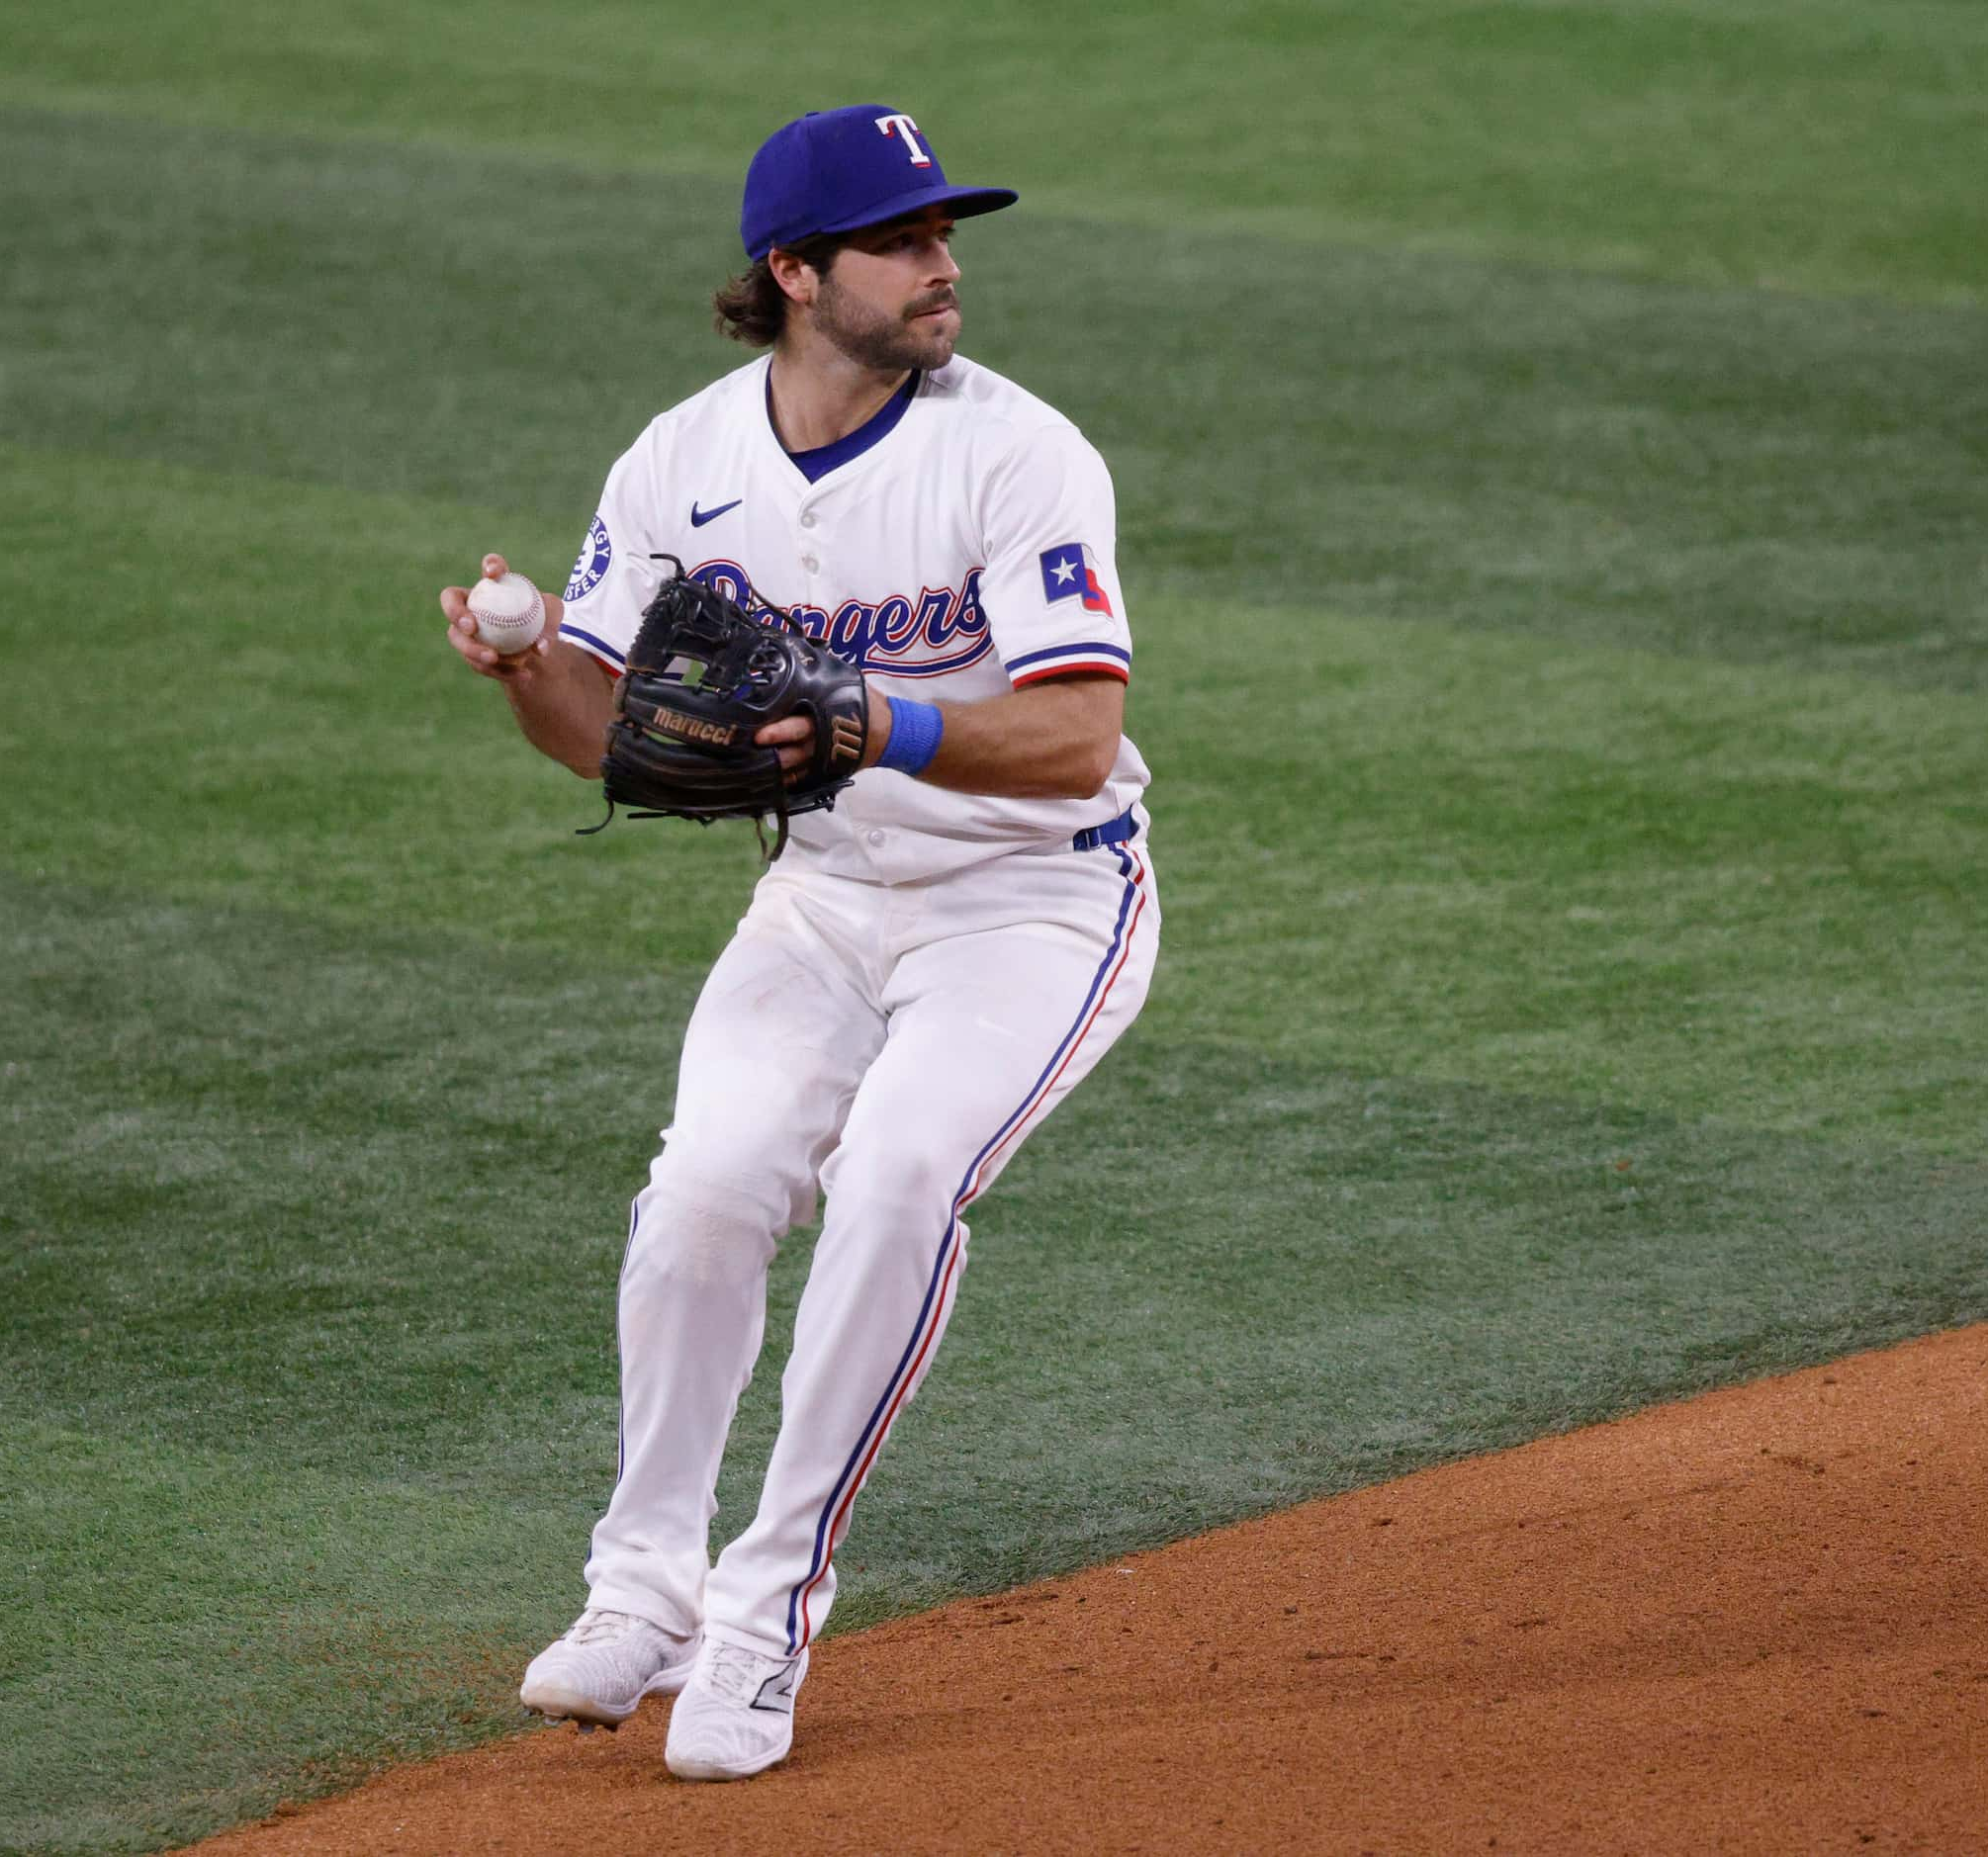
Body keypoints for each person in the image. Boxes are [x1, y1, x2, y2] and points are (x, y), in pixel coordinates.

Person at [437, 105, 1158, 1783]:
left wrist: (865, 713)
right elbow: (610, 731)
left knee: (900, 1171)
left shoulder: (1020, 451)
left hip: (1037, 899)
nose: (944, 266)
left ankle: (768, 1612)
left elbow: (1072, 737)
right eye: (904, 241)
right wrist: (529, 663)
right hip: (827, 902)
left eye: (944, 235)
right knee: (705, 1187)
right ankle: (644, 1593)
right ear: (793, 272)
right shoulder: (679, 461)